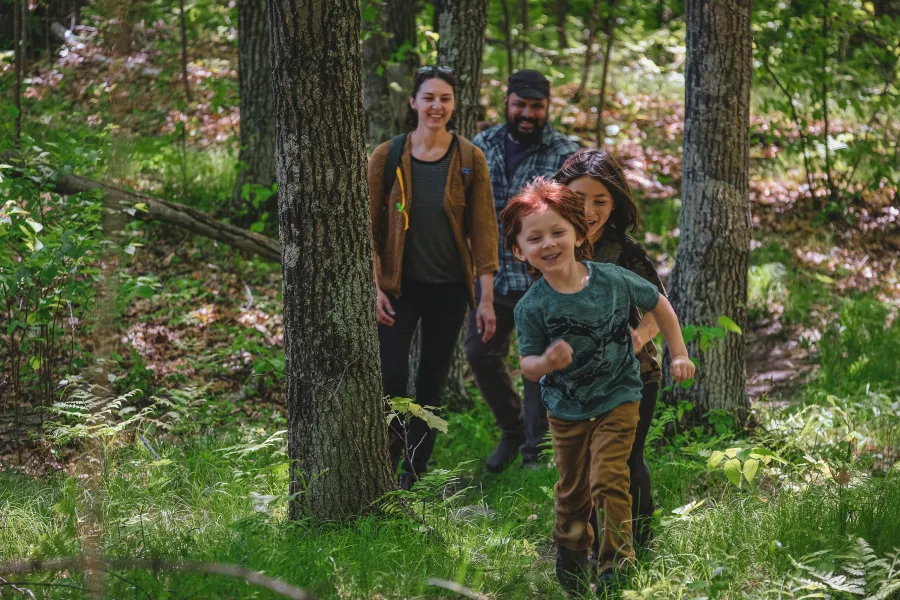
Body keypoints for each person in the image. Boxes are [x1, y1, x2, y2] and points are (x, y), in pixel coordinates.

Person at [501, 178, 695, 596]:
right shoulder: (532, 306)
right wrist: (547, 361)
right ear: (520, 251)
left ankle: (616, 567)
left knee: (610, 479)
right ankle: (571, 550)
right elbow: (527, 365)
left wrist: (678, 353)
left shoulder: (611, 279)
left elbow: (658, 302)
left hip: (619, 397)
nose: (549, 243)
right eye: (535, 238)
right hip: (567, 409)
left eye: (558, 232)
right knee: (573, 491)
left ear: (577, 231)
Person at [368, 66, 499, 490]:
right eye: (428, 98)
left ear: (454, 104)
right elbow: (364, 229)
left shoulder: (468, 158)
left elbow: (484, 231)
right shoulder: (386, 156)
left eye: (444, 98)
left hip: (448, 292)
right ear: (413, 102)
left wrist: (485, 298)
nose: (436, 106)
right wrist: (373, 288)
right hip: (397, 291)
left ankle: (414, 471)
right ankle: (383, 463)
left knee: (431, 380)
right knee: (390, 378)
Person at [467, 70, 581, 472]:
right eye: (521, 105)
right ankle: (513, 429)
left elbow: (579, 218)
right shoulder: (483, 145)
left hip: (543, 278)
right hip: (492, 278)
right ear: (507, 103)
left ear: (548, 107)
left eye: (536, 106)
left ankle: (537, 452)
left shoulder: (566, 153)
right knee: (480, 354)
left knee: (539, 364)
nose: (528, 114)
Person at [553, 148, 665, 550]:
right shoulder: (554, 246)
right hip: (575, 381)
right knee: (581, 465)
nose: (589, 209)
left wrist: (636, 340)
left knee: (625, 460)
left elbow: (659, 307)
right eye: (579, 198)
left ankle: (640, 539)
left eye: (601, 200)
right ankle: (583, 541)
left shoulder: (626, 251)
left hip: (634, 377)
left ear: (615, 202)